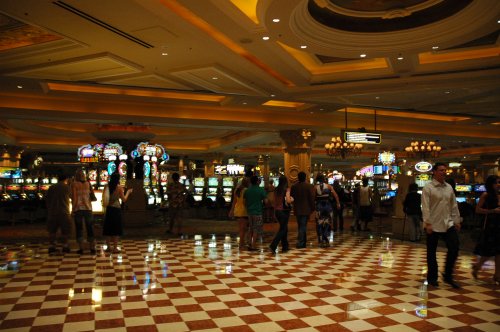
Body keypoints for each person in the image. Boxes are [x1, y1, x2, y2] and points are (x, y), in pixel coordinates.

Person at [422, 162, 461, 289]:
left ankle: (448, 275)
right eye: (441, 170)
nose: (444, 172)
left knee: (454, 248)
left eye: (445, 170)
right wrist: (427, 223)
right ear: (434, 172)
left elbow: (453, 205)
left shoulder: (449, 187)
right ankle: (432, 277)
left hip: (448, 223)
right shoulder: (428, 188)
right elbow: (425, 207)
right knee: (431, 252)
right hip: (433, 224)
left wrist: (457, 220)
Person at [472, 175, 500, 285]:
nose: (498, 185)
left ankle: (497, 275)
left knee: (499, 252)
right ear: (490, 184)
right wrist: (492, 210)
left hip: (499, 225)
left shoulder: (499, 195)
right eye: (496, 183)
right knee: (488, 251)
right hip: (490, 225)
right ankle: (477, 267)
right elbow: (478, 210)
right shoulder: (486, 195)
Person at [102, 172, 132, 253]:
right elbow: (124, 200)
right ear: (118, 179)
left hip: (108, 209)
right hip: (116, 209)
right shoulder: (119, 188)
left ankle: (108, 247)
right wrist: (128, 192)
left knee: (108, 228)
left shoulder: (106, 186)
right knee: (116, 228)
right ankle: (115, 248)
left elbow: (104, 198)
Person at [45, 173, 72, 255]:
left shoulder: (51, 187)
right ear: (66, 179)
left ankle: (52, 247)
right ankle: (65, 246)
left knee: (52, 231)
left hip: (53, 211)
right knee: (65, 231)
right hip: (64, 211)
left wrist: (49, 209)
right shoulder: (67, 187)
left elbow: (47, 199)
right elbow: (72, 198)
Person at [71, 168, 96, 255]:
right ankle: (92, 248)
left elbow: (74, 198)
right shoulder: (88, 183)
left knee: (79, 229)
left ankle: (81, 249)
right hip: (88, 208)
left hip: (78, 209)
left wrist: (72, 209)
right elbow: (91, 196)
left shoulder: (74, 184)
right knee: (90, 228)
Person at [290, 171, 315, 249]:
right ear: (305, 178)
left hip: (297, 208)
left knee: (300, 225)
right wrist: (313, 207)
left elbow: (292, 197)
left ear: (298, 177)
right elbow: (311, 198)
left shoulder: (294, 186)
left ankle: (303, 241)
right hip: (306, 208)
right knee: (303, 226)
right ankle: (300, 242)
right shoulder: (309, 186)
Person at [269, 175, 293, 254]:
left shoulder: (276, 189)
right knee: (283, 229)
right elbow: (288, 201)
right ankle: (273, 245)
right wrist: (292, 199)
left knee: (284, 228)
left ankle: (285, 246)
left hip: (277, 211)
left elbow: (273, 200)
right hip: (284, 211)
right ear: (286, 181)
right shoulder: (287, 189)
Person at [244, 175, 268, 250]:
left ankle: (249, 243)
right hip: (257, 212)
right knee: (256, 229)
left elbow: (244, 202)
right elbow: (266, 201)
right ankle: (253, 245)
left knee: (251, 228)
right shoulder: (261, 190)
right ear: (257, 181)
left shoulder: (247, 190)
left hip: (249, 212)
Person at [228, 177, 250, 249]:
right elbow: (245, 202)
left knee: (241, 228)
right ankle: (241, 244)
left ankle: (242, 243)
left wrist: (232, 210)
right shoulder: (246, 190)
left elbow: (234, 202)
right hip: (244, 211)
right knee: (243, 229)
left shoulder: (237, 190)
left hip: (237, 210)